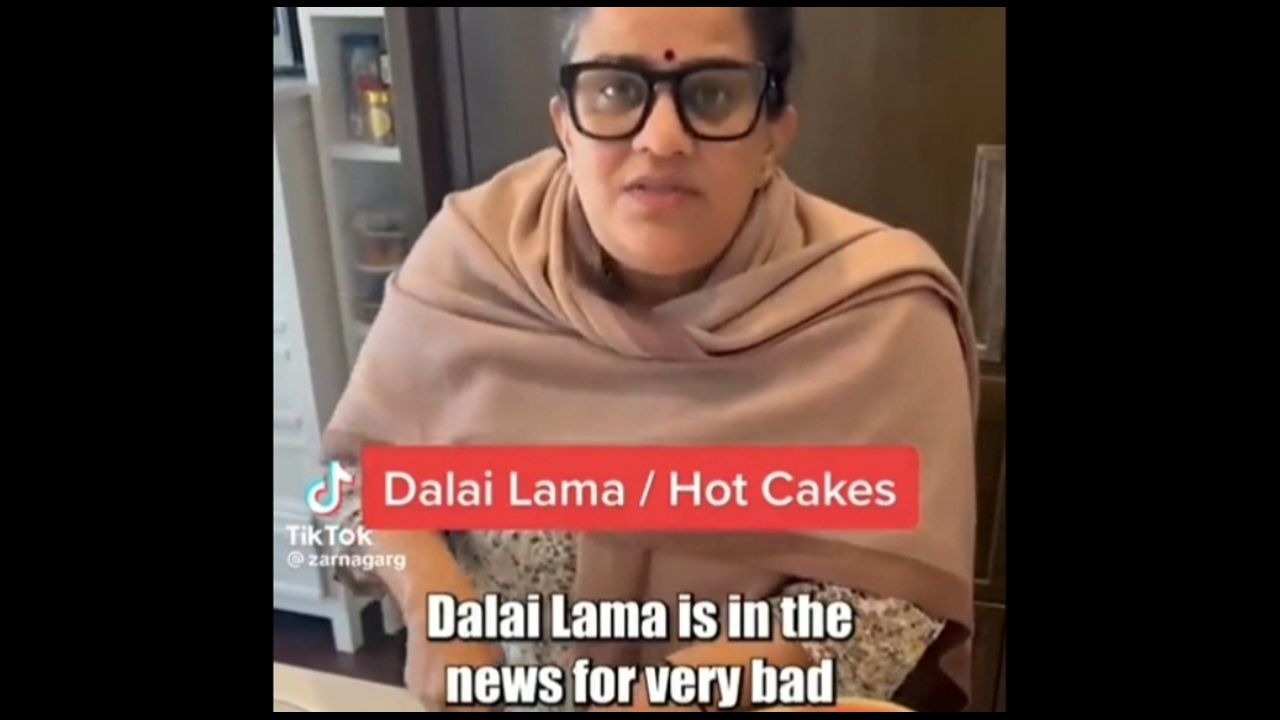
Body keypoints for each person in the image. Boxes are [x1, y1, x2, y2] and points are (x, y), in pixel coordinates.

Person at [320, 7, 978, 713]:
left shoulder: (881, 315)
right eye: (615, 89)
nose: (661, 139)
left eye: (712, 94)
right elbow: (349, 486)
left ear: (773, 135)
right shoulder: (470, 263)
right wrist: (432, 600)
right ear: (565, 125)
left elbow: (892, 604)